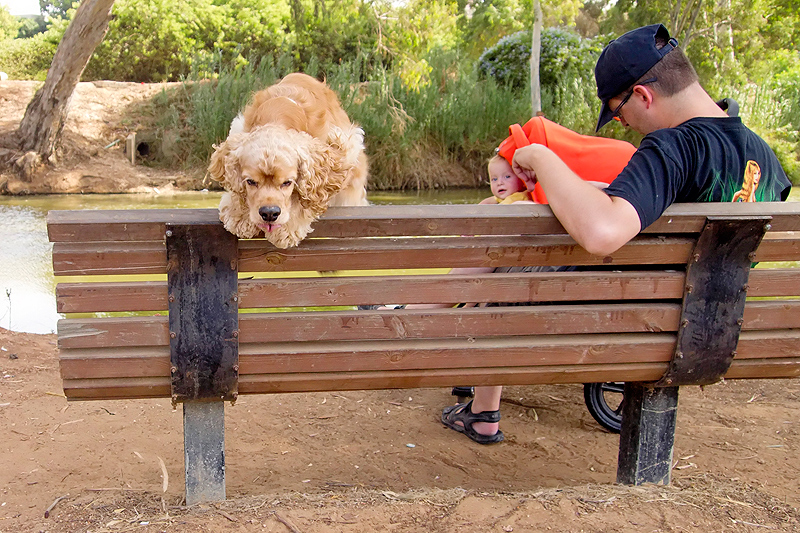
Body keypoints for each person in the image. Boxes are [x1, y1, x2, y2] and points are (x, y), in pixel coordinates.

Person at [441, 23, 792, 445]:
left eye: (620, 111)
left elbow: (602, 233)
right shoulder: (765, 158)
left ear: (643, 95)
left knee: (503, 272)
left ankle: (480, 406)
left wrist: (540, 156)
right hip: (708, 329)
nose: (623, 124)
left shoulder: (673, 147)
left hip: (631, 327)